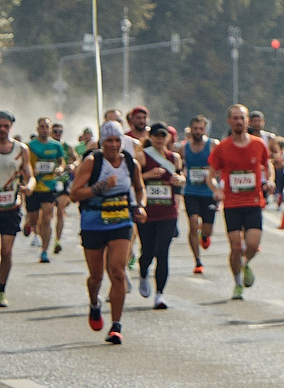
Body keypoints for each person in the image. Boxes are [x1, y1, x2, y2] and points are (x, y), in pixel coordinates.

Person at [71, 121, 141, 344]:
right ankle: (94, 303)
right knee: (96, 277)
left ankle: (116, 325)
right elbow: (75, 194)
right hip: (93, 223)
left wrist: (140, 207)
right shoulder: (92, 162)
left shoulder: (130, 163)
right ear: (102, 142)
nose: (113, 145)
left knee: (118, 272)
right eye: (109, 140)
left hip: (120, 221)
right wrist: (100, 186)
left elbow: (139, 188)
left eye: (117, 140)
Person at [207, 105, 270, 298]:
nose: (239, 121)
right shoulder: (222, 147)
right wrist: (217, 190)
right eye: (235, 118)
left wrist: (270, 181)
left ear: (247, 121)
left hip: (253, 202)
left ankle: (244, 263)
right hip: (232, 204)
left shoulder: (258, 144)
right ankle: (237, 283)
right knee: (235, 247)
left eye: (242, 118)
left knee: (252, 245)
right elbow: (210, 176)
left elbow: (268, 166)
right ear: (229, 121)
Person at [134, 124, 183, 309]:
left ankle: (159, 294)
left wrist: (179, 180)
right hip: (148, 212)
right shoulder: (142, 156)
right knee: (148, 251)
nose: (160, 139)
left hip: (168, 212)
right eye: (156, 135)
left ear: (168, 137)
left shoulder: (174, 158)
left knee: (162, 252)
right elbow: (133, 180)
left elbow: (181, 177)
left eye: (163, 135)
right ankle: (143, 273)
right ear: (150, 136)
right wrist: (148, 175)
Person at [27, 118, 70, 263]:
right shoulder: (30, 146)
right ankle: (29, 223)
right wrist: (30, 172)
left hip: (49, 186)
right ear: (37, 128)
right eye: (42, 127)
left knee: (47, 218)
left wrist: (60, 169)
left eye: (47, 127)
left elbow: (61, 161)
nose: (44, 129)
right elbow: (24, 163)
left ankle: (44, 251)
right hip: (33, 186)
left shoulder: (56, 146)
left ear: (50, 129)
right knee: (34, 220)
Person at [180, 114, 217, 277]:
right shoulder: (184, 148)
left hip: (208, 192)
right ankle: (197, 261)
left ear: (205, 130)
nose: (197, 131)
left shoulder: (212, 145)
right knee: (193, 223)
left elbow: (220, 165)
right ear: (190, 130)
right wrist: (181, 175)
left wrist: (212, 174)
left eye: (200, 128)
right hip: (191, 192)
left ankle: (205, 236)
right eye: (195, 128)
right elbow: (178, 166)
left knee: (207, 229)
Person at [0, 112, 27, 306]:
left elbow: (29, 175)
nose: (2, 129)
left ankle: (1, 290)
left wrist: (29, 185)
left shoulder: (20, 149)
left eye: (6, 126)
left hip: (11, 207)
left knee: (6, 251)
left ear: (11, 127)